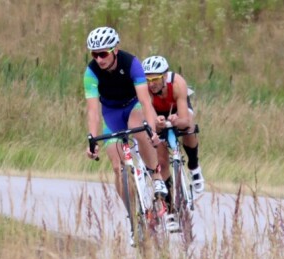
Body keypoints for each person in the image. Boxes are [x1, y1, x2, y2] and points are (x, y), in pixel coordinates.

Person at [83, 27, 168, 243]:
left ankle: (156, 176)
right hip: (111, 114)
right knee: (118, 168)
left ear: (115, 50)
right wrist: (92, 139)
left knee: (138, 130)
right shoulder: (91, 73)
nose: (99, 59)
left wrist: (151, 127)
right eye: (94, 54)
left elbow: (146, 101)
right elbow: (93, 111)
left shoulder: (132, 63)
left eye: (103, 53)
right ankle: (134, 219)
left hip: (133, 106)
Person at [142, 55, 205, 232]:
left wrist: (176, 121)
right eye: (147, 80)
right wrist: (158, 123)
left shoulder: (177, 83)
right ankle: (170, 211)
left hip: (177, 109)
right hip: (157, 113)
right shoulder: (145, 90)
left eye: (154, 79)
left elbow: (185, 119)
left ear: (164, 76)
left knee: (189, 128)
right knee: (161, 161)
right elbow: (149, 118)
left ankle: (194, 167)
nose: (151, 84)